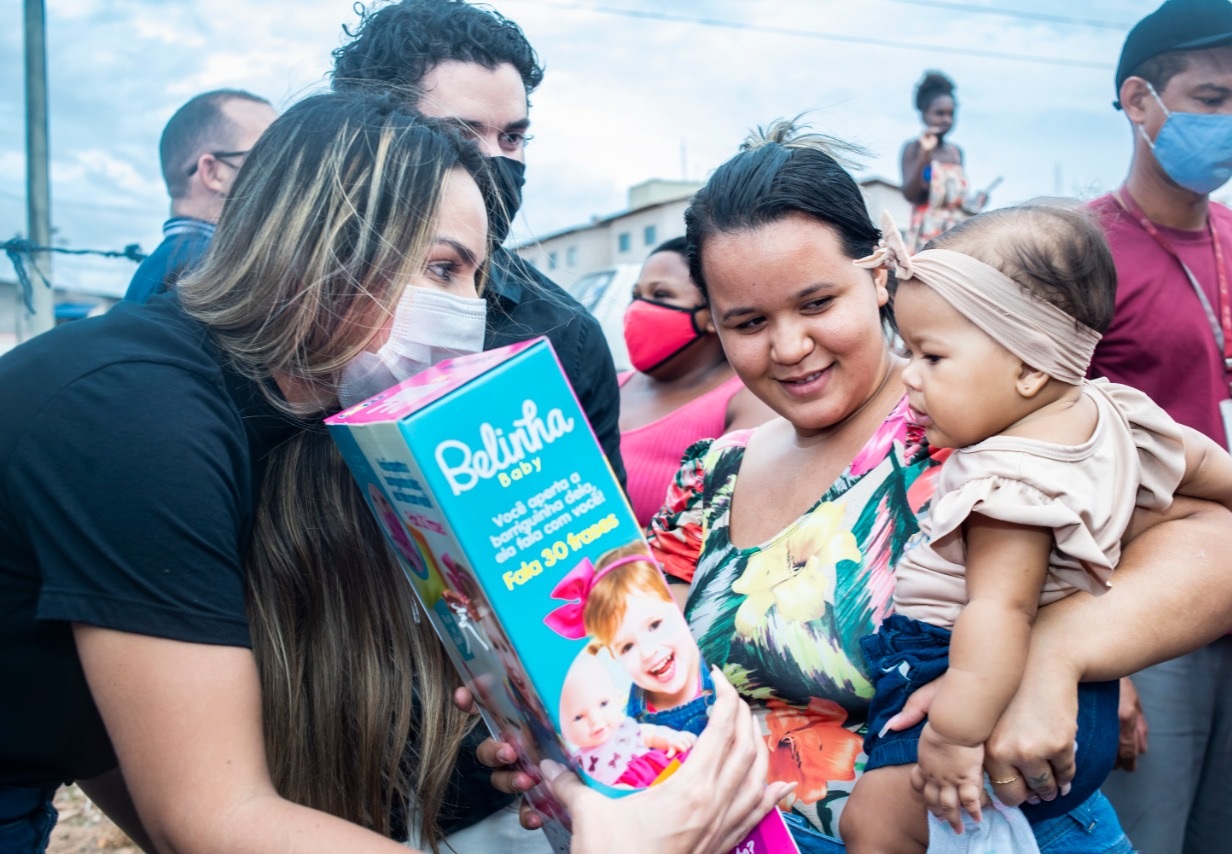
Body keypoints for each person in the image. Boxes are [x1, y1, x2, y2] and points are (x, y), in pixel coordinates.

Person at [0, 90, 780, 854]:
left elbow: (130, 719)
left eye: (477, 279)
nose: (468, 310)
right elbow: (212, 811)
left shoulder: (301, 405)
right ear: (320, 242)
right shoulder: (139, 416)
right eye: (444, 268)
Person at [500, 118, 1232, 854]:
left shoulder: (978, 426)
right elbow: (645, 662)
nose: (789, 347)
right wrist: (559, 736)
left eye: (816, 303)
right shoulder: (713, 473)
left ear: (878, 278)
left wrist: (1052, 657)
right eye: (747, 323)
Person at [838, 204, 1232, 853]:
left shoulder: (1006, 482)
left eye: (932, 356)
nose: (910, 375)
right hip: (1083, 698)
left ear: (1029, 367)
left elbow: (998, 611)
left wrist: (955, 734)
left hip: (972, 679)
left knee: (873, 825)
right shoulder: (1116, 413)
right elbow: (1203, 459)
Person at [1089, 2, 1232, 851]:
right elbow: (1037, 451)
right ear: (1139, 101)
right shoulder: (1079, 253)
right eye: (1210, 98)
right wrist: (1103, 657)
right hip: (1146, 625)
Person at [330, 0, 625, 490]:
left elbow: (595, 548)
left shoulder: (563, 336)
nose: (490, 160)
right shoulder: (276, 310)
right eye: (459, 134)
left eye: (511, 138)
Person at [619, 237, 774, 527]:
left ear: (714, 314)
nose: (638, 309)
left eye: (661, 294)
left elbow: (712, 521)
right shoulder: (611, 386)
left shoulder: (750, 397)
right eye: (636, 295)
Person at [122, 89, 276, 303]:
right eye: (269, 154)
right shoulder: (212, 274)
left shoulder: (163, 265)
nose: (285, 169)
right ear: (213, 172)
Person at [558, 650, 696, 787]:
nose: (595, 720)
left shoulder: (626, 729)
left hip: (656, 771)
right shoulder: (577, 762)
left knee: (688, 760)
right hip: (628, 795)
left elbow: (652, 735)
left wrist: (671, 739)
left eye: (603, 704)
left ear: (617, 698)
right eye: (578, 717)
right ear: (562, 728)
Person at [899, 71, 987, 251]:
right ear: (924, 114)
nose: (946, 119)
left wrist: (976, 203)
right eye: (939, 113)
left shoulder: (956, 153)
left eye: (951, 114)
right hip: (926, 236)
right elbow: (910, 194)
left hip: (955, 235)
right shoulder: (913, 149)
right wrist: (925, 153)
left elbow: (956, 200)